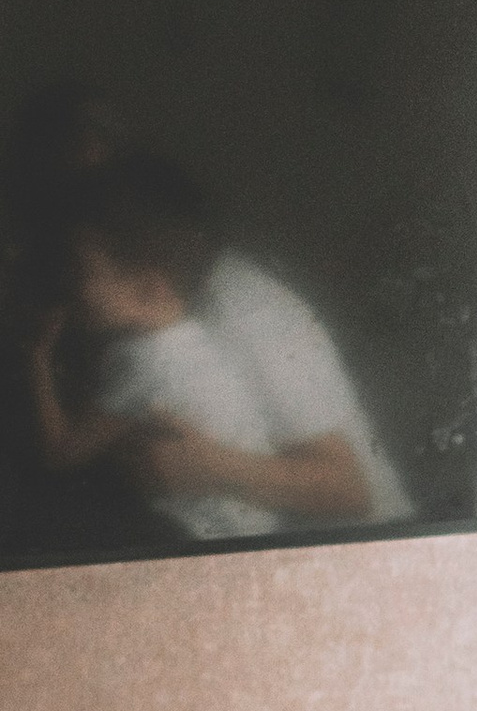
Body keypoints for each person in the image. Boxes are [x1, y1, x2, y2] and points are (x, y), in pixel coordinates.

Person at [32, 153, 409, 542]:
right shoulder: (156, 311)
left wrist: (210, 467)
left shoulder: (238, 302)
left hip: (359, 546)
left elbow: (351, 492)